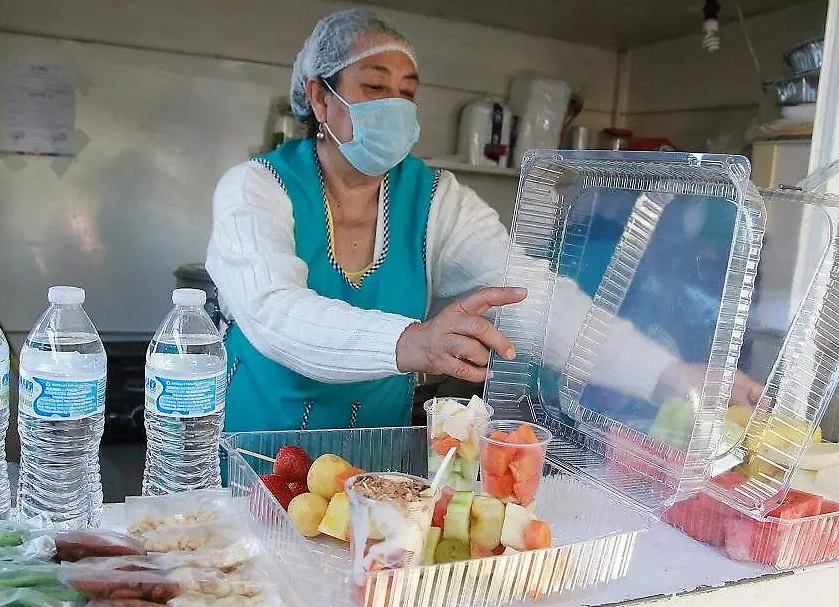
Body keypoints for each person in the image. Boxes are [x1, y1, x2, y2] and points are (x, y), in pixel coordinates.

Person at [207, 9, 761, 433]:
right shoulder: (256, 188)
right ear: (319, 99)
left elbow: (530, 299)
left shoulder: (433, 199)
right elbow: (272, 311)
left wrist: (666, 374)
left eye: (407, 93)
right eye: (375, 87)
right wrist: (413, 341)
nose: (394, 106)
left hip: (372, 456)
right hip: (257, 450)